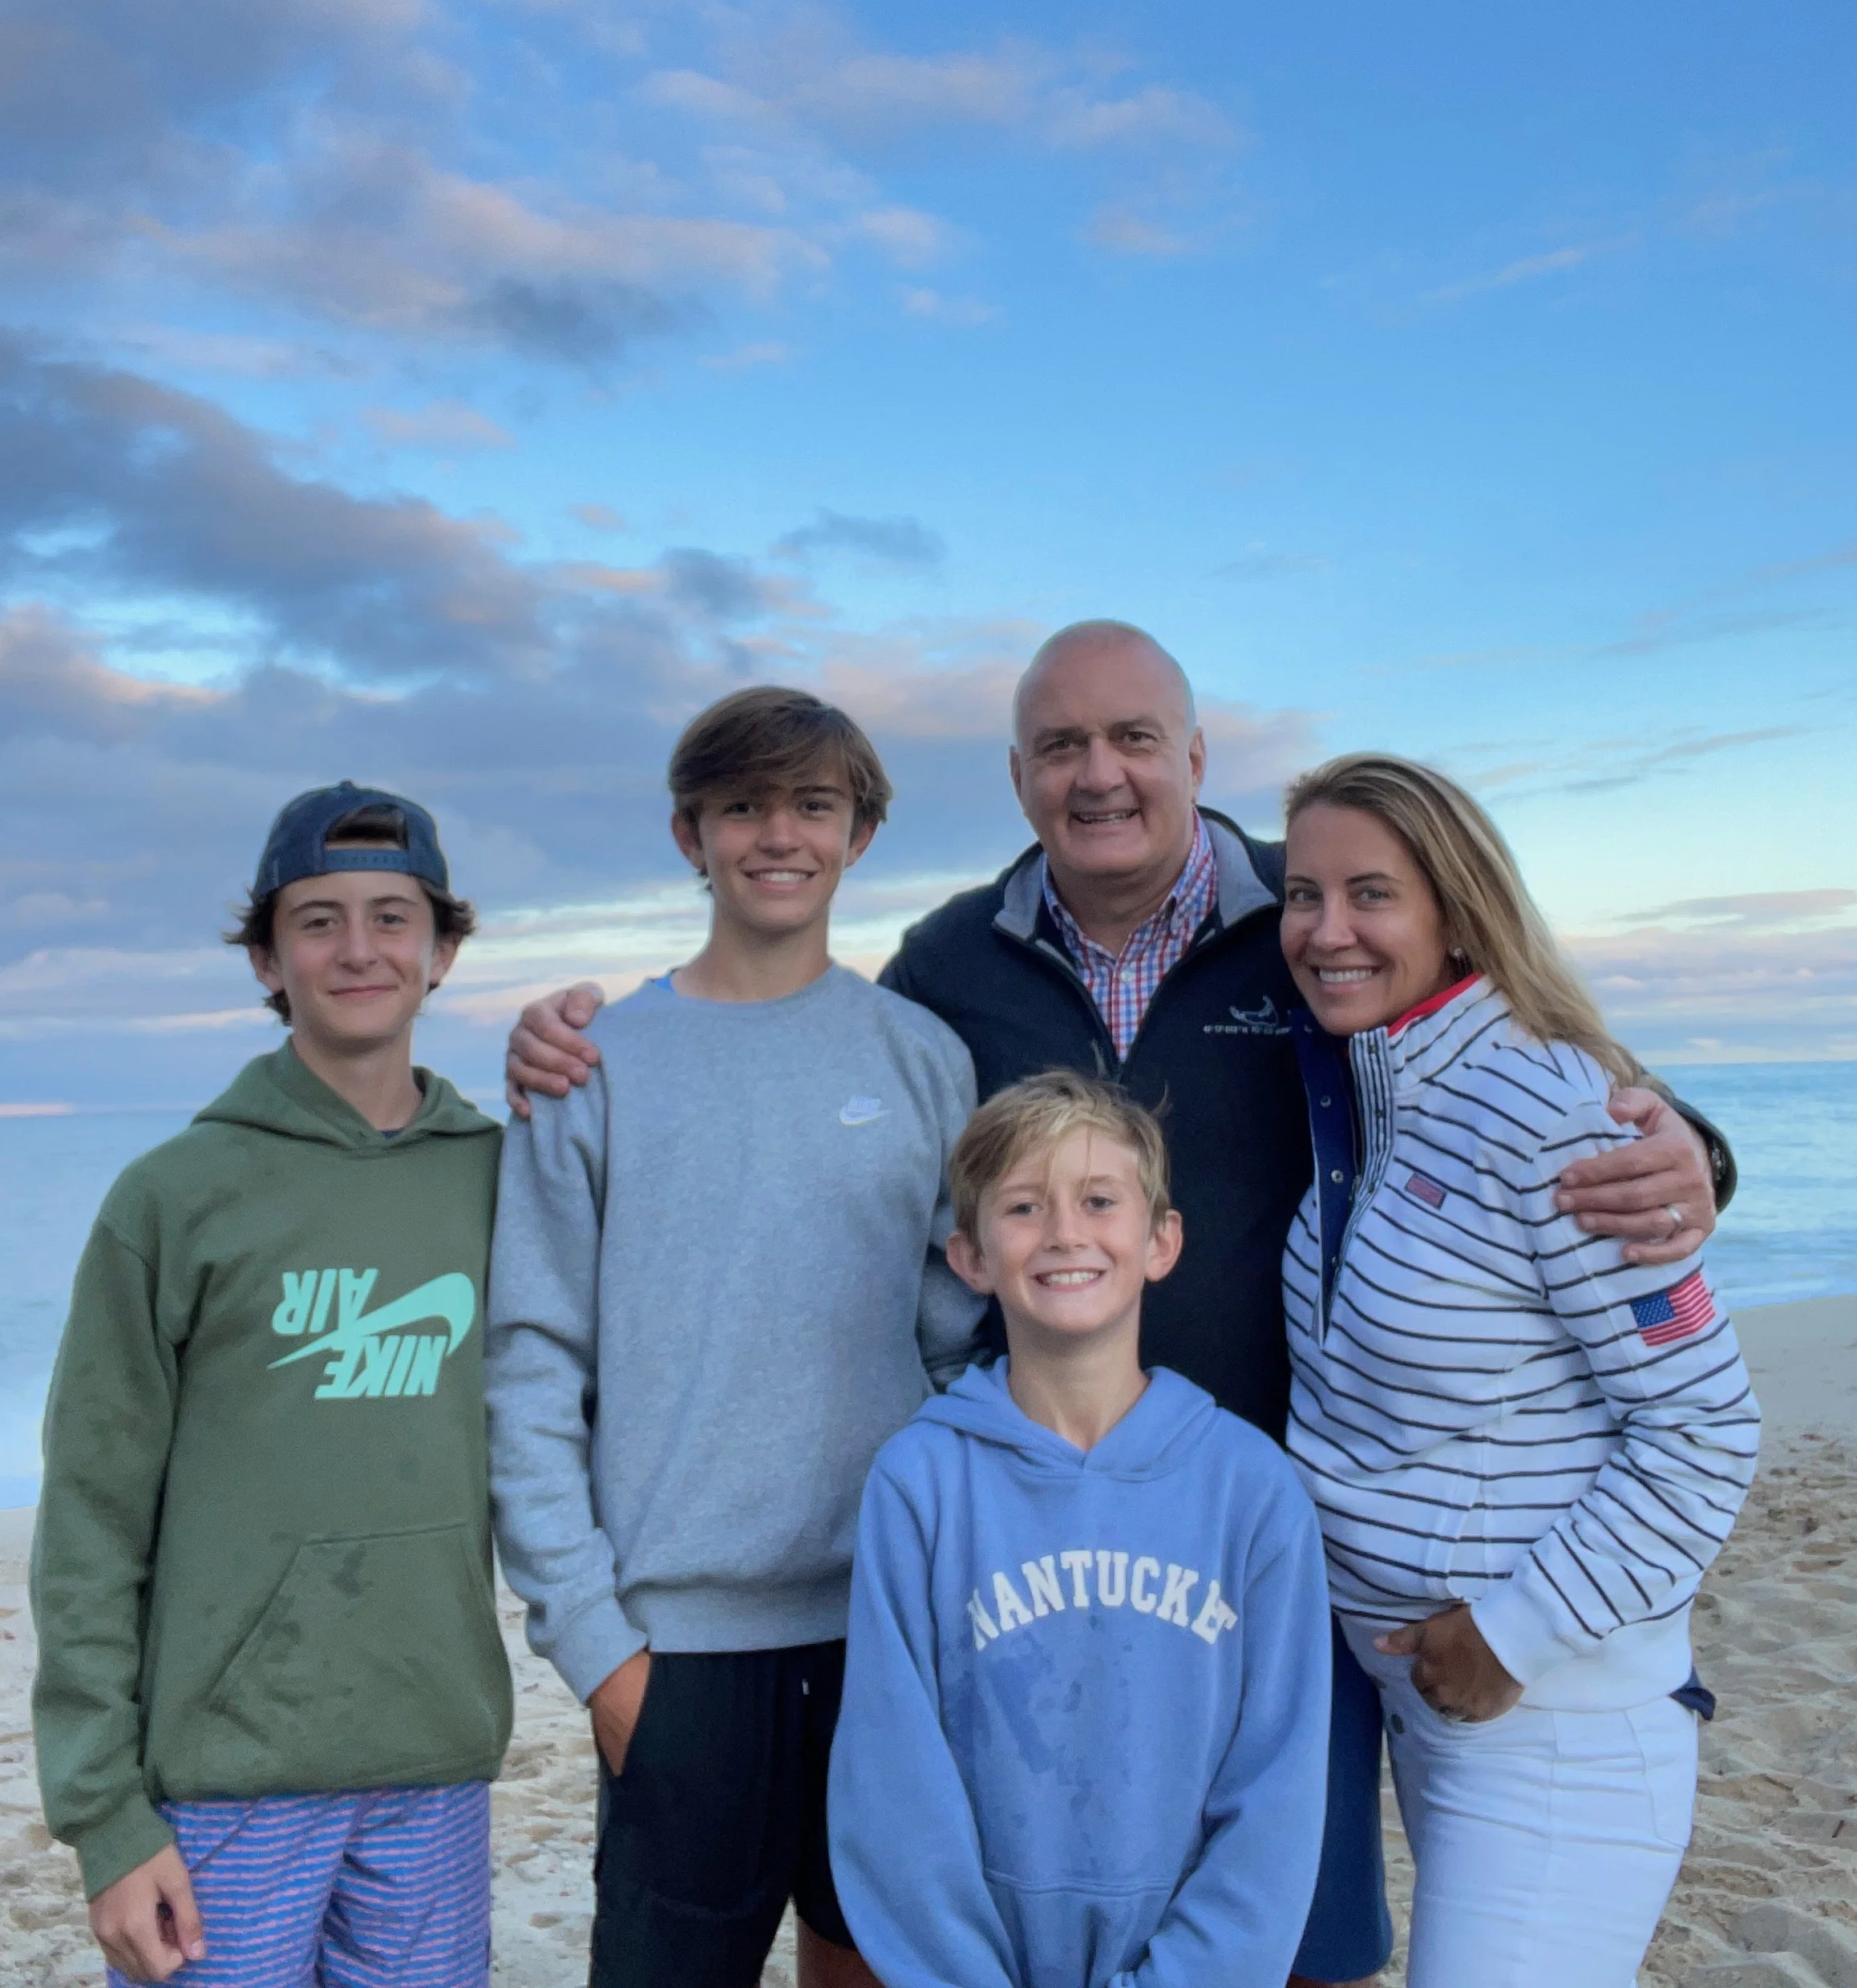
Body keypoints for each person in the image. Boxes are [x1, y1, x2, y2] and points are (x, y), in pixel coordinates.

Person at [504, 620, 1734, 1986]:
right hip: (1023, 1539)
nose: (1101, 774)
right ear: (1021, 775)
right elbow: (855, 1181)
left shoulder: (1310, 920)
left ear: (1195, 755)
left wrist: (1686, 1149)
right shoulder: (947, 969)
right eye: (1061, 745)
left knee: (1289, 1919)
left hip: (1275, 1534)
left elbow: (1507, 1060)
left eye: (1135, 738)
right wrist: (576, 1042)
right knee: (993, 1900)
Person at [483, 687, 983, 1988]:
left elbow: (960, 1348)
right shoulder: (594, 1067)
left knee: (870, 1963)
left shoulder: (924, 1058)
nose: (780, 833)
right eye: (744, 804)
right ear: (687, 831)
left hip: (886, 1633)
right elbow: (531, 1369)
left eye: (813, 803)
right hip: (673, 1658)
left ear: (859, 832)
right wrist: (596, 1646)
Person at [1279, 754, 1759, 1987]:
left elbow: (1704, 1429)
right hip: (1427, 1698)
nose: (1327, 931)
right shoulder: (1374, 1097)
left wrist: (1511, 1633)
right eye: (1303, 895)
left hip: (1557, 1717)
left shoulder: (1555, 1115)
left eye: (1371, 894)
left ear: (1456, 908)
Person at [32, 782, 509, 1988]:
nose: (359, 950)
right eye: (318, 921)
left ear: (443, 950)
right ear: (266, 955)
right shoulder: (173, 1195)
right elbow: (91, 1512)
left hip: (434, 1762)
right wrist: (104, 1818)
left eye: (393, 918)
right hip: (223, 1785)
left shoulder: (505, 1181)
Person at [827, 1069, 1333, 1988]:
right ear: (971, 1256)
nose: (1064, 1232)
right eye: (1023, 1207)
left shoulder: (1251, 1491)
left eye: (1100, 1200)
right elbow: (895, 1793)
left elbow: (1277, 1793)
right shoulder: (921, 1484)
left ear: (1161, 1240)